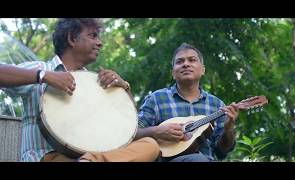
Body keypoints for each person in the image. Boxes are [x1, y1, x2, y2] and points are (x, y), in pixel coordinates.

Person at [0, 18, 160, 162]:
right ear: (72, 38)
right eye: (93, 36)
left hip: (92, 155)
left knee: (150, 145)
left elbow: (127, 130)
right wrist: (43, 76)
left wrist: (123, 88)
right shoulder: (43, 68)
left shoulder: (96, 83)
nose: (100, 43)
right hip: (49, 157)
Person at [135, 43, 239, 162]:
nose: (186, 64)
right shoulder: (157, 99)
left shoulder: (217, 105)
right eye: (180, 62)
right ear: (173, 73)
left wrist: (229, 129)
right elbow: (132, 135)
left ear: (203, 70)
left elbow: (222, 151)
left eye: (192, 60)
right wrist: (156, 131)